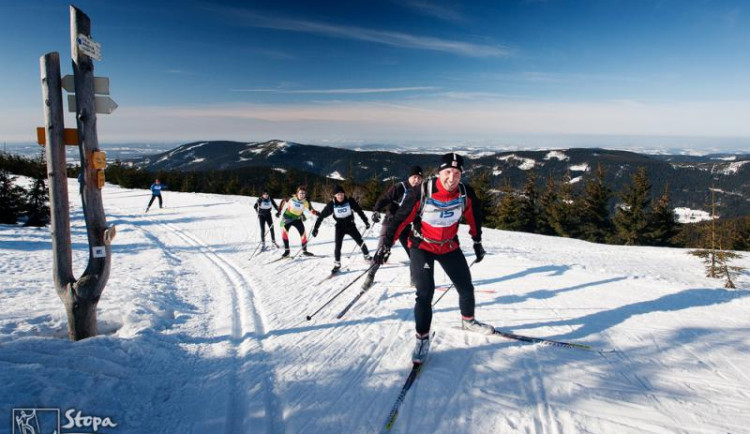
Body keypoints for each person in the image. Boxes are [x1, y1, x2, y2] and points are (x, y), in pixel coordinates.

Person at [374, 153, 490, 364]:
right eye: (447, 172)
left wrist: (477, 241)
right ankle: (422, 338)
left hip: (449, 246)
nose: (452, 178)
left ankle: (468, 321)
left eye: (456, 173)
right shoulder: (423, 191)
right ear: (439, 173)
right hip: (422, 246)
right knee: (425, 293)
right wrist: (386, 246)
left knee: (465, 286)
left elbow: (474, 217)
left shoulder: (465, 193)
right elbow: (400, 219)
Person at [361, 165, 423, 290]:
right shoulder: (401, 187)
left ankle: (414, 278)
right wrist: (377, 210)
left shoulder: (420, 193)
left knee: (413, 253)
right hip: (390, 223)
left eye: (419, 178)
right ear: (409, 177)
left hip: (405, 227)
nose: (417, 180)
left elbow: (417, 212)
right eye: (414, 177)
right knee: (381, 251)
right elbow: (385, 199)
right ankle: (370, 275)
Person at [311, 185, 372, 273]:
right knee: (338, 246)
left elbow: (359, 211)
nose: (340, 196)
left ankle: (367, 256)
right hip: (340, 227)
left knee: (360, 241)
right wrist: (316, 228)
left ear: (344, 194)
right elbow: (321, 216)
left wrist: (365, 221)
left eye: (342, 194)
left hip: (351, 225)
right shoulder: (332, 205)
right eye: (338, 194)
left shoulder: (350, 201)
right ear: (335, 196)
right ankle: (337, 264)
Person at [276, 185, 319, 258]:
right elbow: (283, 201)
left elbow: (311, 210)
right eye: (300, 193)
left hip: (297, 219)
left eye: (303, 193)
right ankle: (287, 251)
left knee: (303, 234)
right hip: (286, 217)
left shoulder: (306, 202)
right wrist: (279, 211)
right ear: (297, 193)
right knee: (284, 233)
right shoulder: (291, 198)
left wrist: (317, 213)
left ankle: (304, 251)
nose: (302, 195)